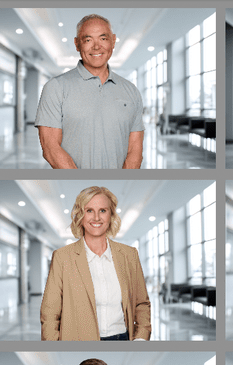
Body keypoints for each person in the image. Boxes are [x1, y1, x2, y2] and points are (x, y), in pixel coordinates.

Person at [41, 186, 151, 341]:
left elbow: (141, 303)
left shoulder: (129, 255)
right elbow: (50, 312)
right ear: (80, 215)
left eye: (103, 211)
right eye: (89, 210)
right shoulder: (62, 257)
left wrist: (141, 339)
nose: (97, 217)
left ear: (111, 215)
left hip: (122, 339)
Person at [35, 15, 144, 170]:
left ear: (113, 41)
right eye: (88, 40)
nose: (96, 46)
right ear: (77, 44)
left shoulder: (131, 90)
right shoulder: (55, 87)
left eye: (103, 39)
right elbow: (50, 148)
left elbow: (135, 149)